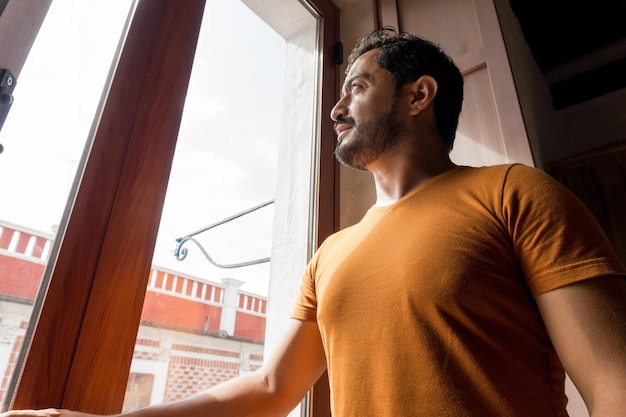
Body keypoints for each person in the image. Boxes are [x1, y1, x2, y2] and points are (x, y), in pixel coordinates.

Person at [3, 27, 626, 417]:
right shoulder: (331, 253)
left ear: (419, 96)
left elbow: (613, 385)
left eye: (356, 87)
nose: (334, 107)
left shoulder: (513, 192)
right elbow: (273, 388)